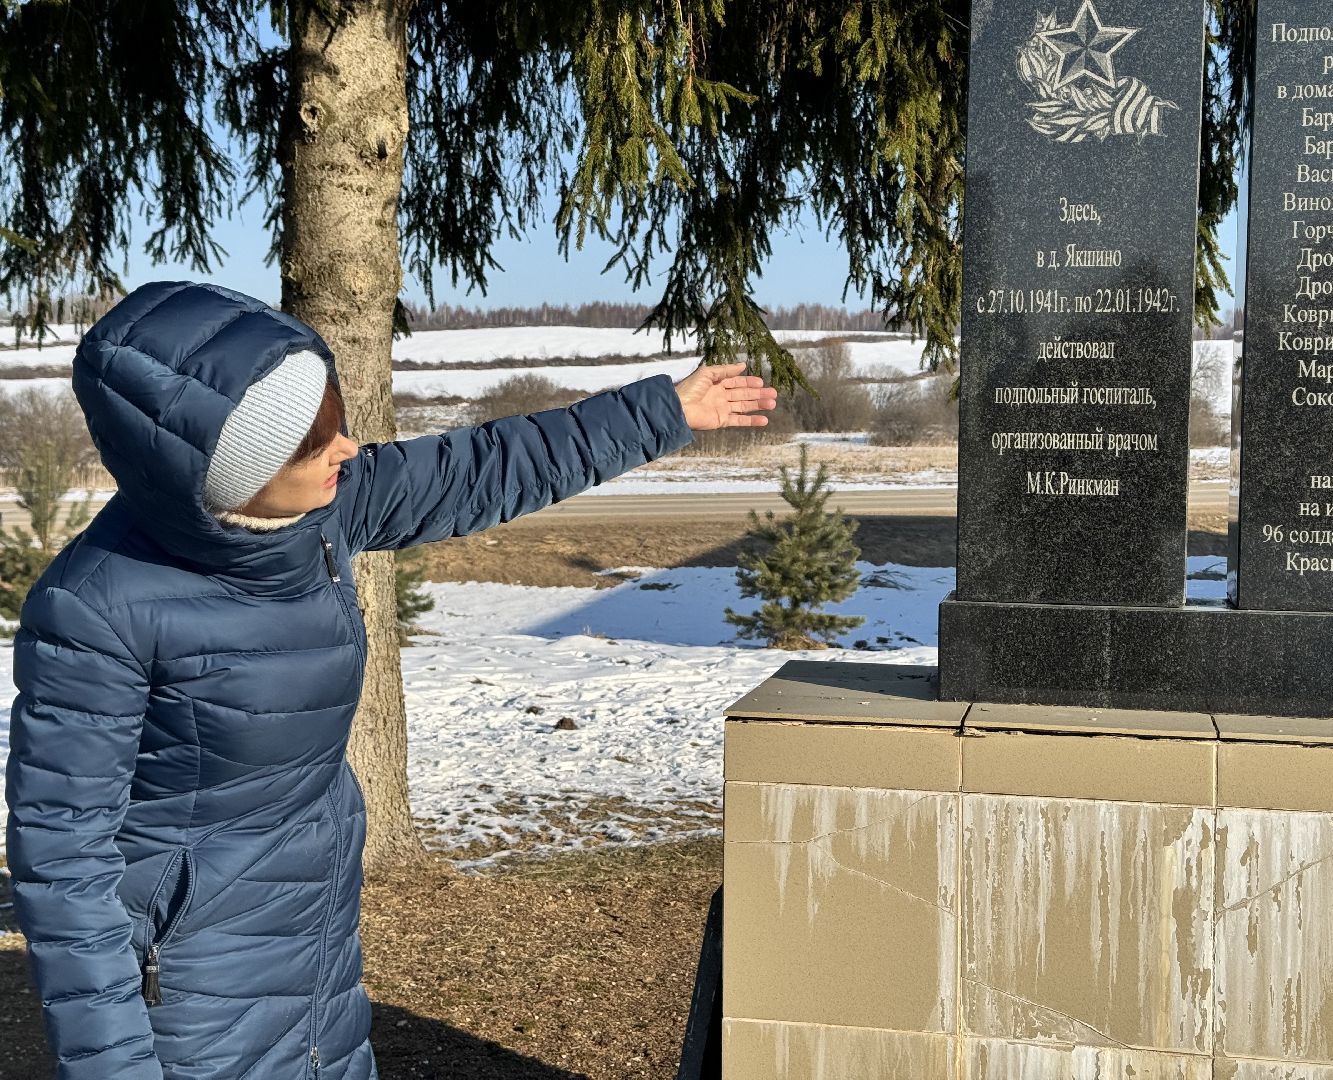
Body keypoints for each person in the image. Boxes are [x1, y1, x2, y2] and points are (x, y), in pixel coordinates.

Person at [3, 279, 778, 1079]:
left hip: (320, 951)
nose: (347, 449)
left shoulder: (320, 513)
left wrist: (663, 412)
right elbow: (65, 861)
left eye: (338, 422)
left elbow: (478, 467)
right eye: (315, 443)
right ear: (231, 475)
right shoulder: (95, 607)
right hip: (192, 992)